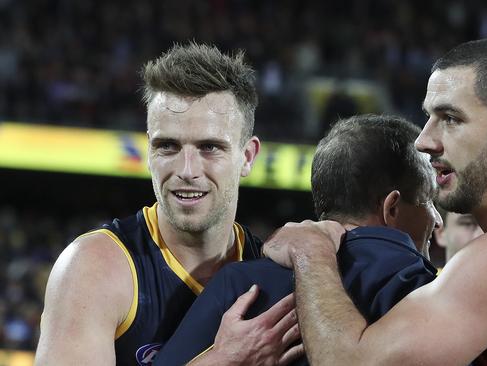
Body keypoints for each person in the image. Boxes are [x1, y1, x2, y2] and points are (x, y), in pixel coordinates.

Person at [264, 38, 487, 365]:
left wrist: (311, 250)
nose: (423, 141)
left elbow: (351, 362)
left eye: (450, 118)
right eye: (428, 117)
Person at [35, 43, 301, 366]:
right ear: (148, 153)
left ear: (247, 157)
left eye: (209, 147)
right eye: (168, 146)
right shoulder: (94, 269)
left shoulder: (273, 271)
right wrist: (223, 360)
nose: (186, 170)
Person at [153, 114, 441, 365]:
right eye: (429, 201)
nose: (437, 219)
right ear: (391, 208)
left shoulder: (239, 283)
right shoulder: (424, 287)